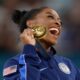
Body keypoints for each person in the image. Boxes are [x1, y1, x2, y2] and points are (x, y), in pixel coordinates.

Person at [3, 7, 80, 80]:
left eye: (60, 21)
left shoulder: (68, 64)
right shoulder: (15, 63)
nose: (58, 23)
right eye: (50, 17)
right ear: (31, 24)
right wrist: (29, 47)